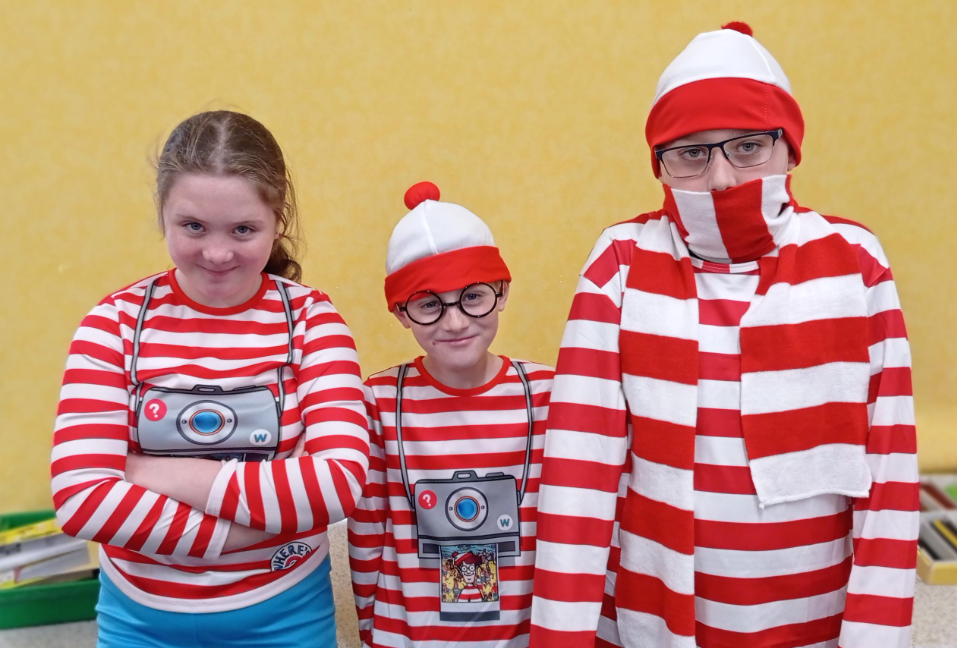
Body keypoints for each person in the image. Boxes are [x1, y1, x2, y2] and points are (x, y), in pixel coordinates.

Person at [529, 22, 918, 648]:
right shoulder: (621, 263)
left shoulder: (854, 261)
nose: (720, 179)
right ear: (659, 164)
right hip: (656, 616)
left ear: (790, 150)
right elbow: (580, 470)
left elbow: (890, 468)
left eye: (748, 147)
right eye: (691, 153)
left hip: (812, 616)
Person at [51, 110, 369, 647]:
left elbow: (337, 484)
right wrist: (252, 527)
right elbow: (81, 499)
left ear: (277, 220)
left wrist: (149, 471)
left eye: (243, 229)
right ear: (162, 213)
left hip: (287, 618)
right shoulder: (113, 325)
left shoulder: (313, 321)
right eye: (193, 226)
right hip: (140, 623)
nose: (217, 253)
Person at [347, 182, 554, 647]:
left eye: (473, 296)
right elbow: (365, 532)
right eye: (429, 305)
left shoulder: (550, 394)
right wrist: (370, 632)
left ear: (502, 292)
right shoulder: (378, 402)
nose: (455, 321)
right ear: (401, 313)